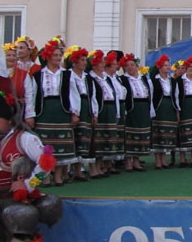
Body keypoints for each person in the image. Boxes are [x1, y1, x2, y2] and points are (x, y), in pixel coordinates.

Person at [0, 90, 62, 242]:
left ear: (8, 118)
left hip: (17, 200)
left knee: (19, 241)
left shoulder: (25, 138)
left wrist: (27, 184)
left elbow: (46, 162)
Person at [23, 38, 79, 186]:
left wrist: (75, 113)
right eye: (55, 55)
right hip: (44, 112)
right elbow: (32, 96)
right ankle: (46, 176)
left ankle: (59, 175)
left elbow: (73, 94)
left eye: (60, 55)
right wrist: (30, 114)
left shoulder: (67, 74)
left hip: (62, 111)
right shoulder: (38, 75)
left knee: (62, 146)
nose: (58, 58)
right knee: (45, 146)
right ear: (47, 57)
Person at [88, 50, 122, 177]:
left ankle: (102, 165)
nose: (104, 65)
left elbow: (114, 95)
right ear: (95, 64)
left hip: (109, 108)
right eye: (101, 62)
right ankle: (94, 167)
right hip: (100, 109)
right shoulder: (91, 78)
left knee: (106, 139)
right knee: (97, 139)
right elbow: (93, 96)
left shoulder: (106, 78)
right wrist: (94, 112)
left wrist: (117, 112)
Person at [119, 53, 154, 172]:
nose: (130, 67)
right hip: (132, 108)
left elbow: (150, 95)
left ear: (136, 66)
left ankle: (136, 160)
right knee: (130, 133)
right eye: (127, 65)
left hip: (143, 107)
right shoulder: (123, 79)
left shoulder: (143, 78)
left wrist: (150, 109)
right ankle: (128, 161)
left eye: (132, 65)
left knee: (141, 133)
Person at [65, 46, 94, 181]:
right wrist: (73, 111)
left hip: (85, 107)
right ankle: (68, 169)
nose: (85, 62)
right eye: (82, 60)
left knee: (83, 139)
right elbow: (69, 94)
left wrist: (94, 113)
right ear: (75, 62)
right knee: (72, 138)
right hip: (73, 107)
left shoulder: (88, 78)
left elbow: (92, 95)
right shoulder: (68, 75)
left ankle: (78, 169)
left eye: (85, 60)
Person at [150, 54, 179, 170]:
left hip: (169, 106)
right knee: (158, 133)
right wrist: (152, 110)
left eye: (168, 65)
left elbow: (176, 96)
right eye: (165, 65)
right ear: (160, 67)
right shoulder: (154, 80)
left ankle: (164, 159)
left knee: (167, 133)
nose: (168, 67)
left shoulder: (172, 81)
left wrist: (177, 110)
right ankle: (158, 160)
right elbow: (151, 96)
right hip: (159, 107)